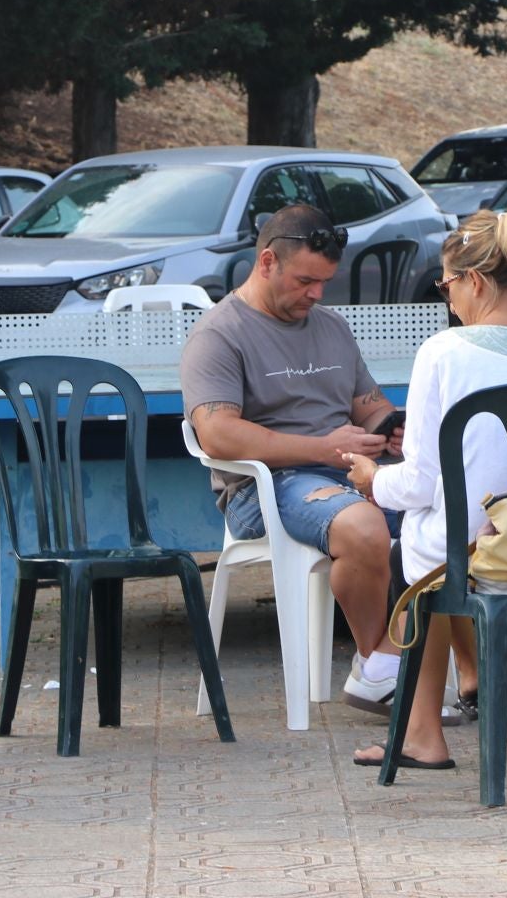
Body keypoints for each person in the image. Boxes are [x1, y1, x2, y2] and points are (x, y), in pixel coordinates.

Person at [342, 206, 507, 771]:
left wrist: (371, 479)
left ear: (475, 281)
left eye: (448, 283)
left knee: (416, 555)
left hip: (481, 555)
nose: (448, 297)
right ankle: (458, 702)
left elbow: (420, 483)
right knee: (437, 546)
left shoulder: (444, 353)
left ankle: (423, 735)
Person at [181, 203, 413, 713]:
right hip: (263, 487)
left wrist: (391, 429)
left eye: (324, 282)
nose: (316, 294)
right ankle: (381, 669)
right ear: (267, 262)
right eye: (306, 280)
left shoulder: (331, 326)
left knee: (455, 517)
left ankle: (419, 670)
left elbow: (368, 404)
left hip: (345, 471)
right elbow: (218, 434)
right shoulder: (220, 333)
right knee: (365, 528)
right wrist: (322, 449)